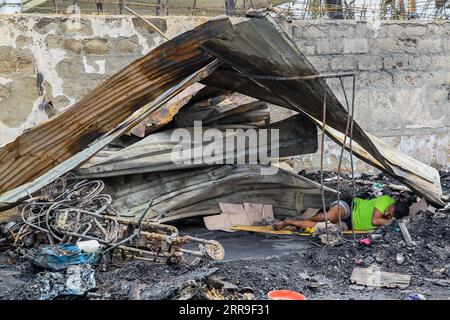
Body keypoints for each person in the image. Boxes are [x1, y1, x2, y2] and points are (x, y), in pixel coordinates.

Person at [273, 195, 409, 231]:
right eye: (389, 211)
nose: (387, 214)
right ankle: (306, 218)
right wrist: (390, 221)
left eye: (391, 216)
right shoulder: (385, 199)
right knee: (329, 217)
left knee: (322, 229)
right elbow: (374, 221)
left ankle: (288, 222)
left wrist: (392, 220)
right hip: (351, 206)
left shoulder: (392, 218)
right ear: (393, 204)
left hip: (349, 226)